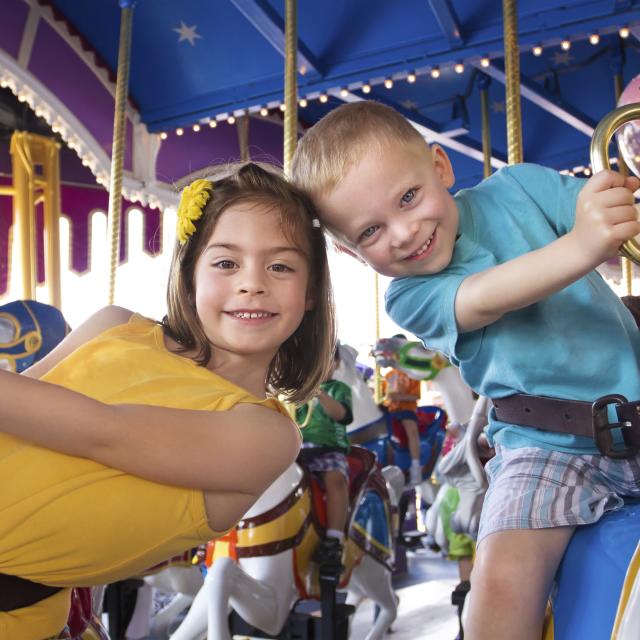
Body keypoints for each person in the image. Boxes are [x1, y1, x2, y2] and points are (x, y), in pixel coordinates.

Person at [290, 100, 640, 640]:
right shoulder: (410, 295)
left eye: (409, 197)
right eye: (370, 232)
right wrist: (583, 244)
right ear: (350, 252)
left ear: (440, 167)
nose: (403, 233)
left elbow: (615, 221)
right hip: (545, 448)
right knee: (499, 585)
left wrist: (613, 207)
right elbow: (486, 296)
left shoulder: (521, 188)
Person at [0, 162, 336, 640]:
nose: (252, 283)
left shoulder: (264, 435)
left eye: (280, 266)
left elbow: (103, 433)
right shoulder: (115, 325)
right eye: (225, 263)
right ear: (191, 273)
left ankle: (338, 538)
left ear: (310, 293)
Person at [296, 346, 353, 572]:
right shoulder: (298, 393)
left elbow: (341, 415)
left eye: (327, 361)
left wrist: (319, 392)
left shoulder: (339, 389)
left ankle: (334, 538)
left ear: (337, 364)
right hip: (300, 450)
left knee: (335, 480)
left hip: (329, 449)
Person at [381, 334, 423, 485]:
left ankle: (416, 466)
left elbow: (415, 397)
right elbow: (383, 397)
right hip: (390, 410)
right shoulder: (388, 375)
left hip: (406, 410)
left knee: (411, 429)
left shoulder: (412, 372)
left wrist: (397, 396)